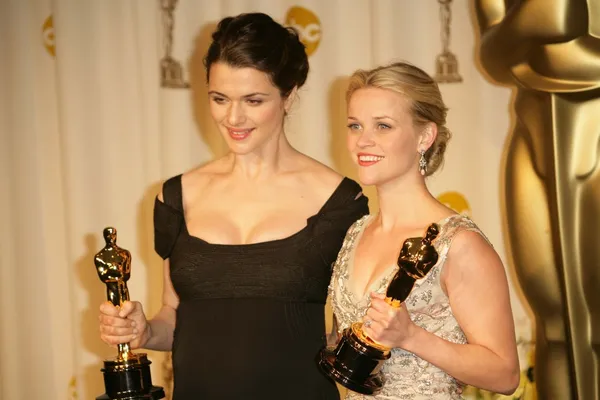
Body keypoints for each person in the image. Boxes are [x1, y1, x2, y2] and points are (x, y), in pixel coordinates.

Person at [98, 12, 368, 399]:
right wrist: (143, 331)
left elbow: (345, 336)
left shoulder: (341, 202)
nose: (233, 117)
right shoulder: (174, 197)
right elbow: (173, 318)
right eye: (219, 98)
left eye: (253, 100)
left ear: (289, 95)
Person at [327, 61, 520, 399]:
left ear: (425, 136)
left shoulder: (459, 244)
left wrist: (411, 336)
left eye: (383, 126)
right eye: (355, 125)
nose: (363, 141)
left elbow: (505, 374)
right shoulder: (355, 232)